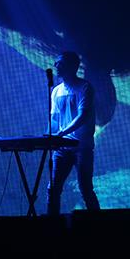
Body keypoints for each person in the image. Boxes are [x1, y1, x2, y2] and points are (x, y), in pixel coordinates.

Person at [47, 51, 100, 216]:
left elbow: (82, 116)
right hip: (61, 148)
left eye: (60, 63)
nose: (56, 66)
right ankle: (51, 225)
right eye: (56, 63)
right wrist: (47, 136)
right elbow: (54, 119)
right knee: (53, 189)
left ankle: (100, 225)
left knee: (85, 188)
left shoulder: (85, 87)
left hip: (82, 147)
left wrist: (62, 133)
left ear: (72, 66)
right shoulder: (56, 91)